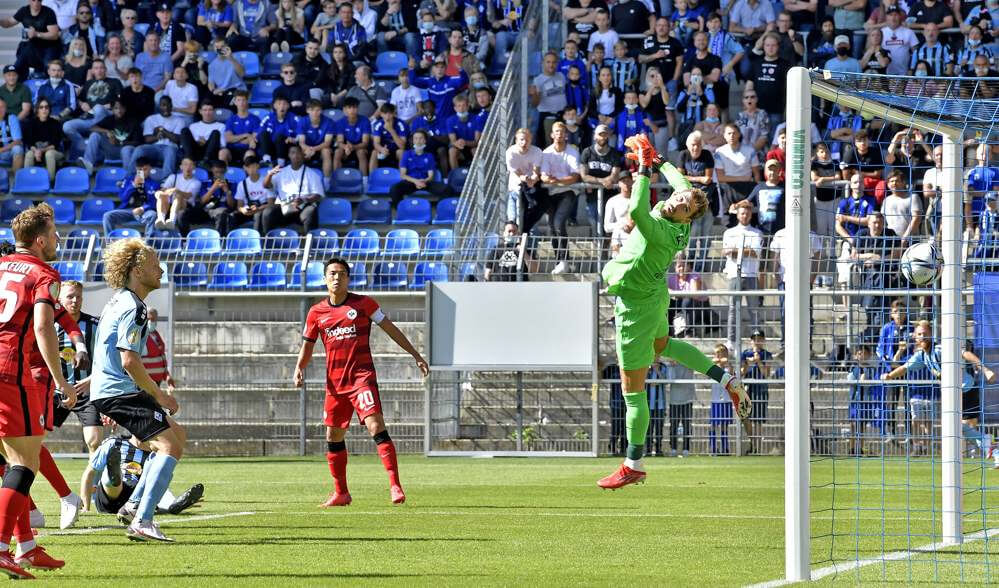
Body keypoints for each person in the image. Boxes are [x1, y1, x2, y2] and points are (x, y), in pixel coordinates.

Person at [596, 135, 748, 490]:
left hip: (635, 306)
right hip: (654, 295)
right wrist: (660, 157)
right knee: (663, 346)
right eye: (678, 198)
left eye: (681, 206)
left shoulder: (664, 232)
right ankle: (726, 380)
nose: (676, 201)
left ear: (685, 218)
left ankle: (633, 463)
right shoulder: (682, 213)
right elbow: (681, 181)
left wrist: (645, 167)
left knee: (632, 390)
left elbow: (635, 212)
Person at [294, 257, 429, 506]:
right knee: (333, 436)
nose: (337, 277)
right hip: (335, 385)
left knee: (375, 426)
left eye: (342, 274)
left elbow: (390, 328)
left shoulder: (364, 304)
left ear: (348, 278)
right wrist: (299, 368)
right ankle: (341, 493)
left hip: (361, 378)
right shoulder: (316, 312)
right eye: (332, 273)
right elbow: (307, 345)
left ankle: (395, 486)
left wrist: (415, 354)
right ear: (324, 279)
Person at [90, 237, 184, 542]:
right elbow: (129, 360)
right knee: (169, 446)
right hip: (121, 390)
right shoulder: (134, 307)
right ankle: (143, 520)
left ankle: (132, 506)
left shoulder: (119, 300)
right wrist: (159, 395)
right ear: (137, 269)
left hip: (113, 389)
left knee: (176, 437)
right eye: (155, 263)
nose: (161, 269)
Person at [0, 204, 75, 577]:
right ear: (41, 240)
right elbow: (45, 328)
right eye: (56, 233)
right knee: (24, 461)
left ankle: (26, 546)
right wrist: (62, 382)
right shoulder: (44, 272)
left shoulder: (0, 265)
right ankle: (2, 547)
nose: (59, 239)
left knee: (16, 459)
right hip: (10, 369)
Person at [80, 435, 202, 516]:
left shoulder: (156, 455)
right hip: (110, 498)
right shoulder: (114, 443)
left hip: (136, 498)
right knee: (113, 482)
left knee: (157, 484)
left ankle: (173, 505)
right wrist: (86, 506)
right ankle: (114, 474)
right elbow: (90, 472)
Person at [52, 280, 103, 460]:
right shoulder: (48, 325)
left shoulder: (95, 325)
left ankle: (94, 487)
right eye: (70, 296)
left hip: (87, 392)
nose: (75, 300)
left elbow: (109, 359)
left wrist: (93, 379)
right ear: (58, 299)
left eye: (78, 297)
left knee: (95, 441)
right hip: (56, 391)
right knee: (31, 440)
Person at [537, 122, 580, 275]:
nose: (560, 134)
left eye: (562, 132)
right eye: (557, 131)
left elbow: (575, 177)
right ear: (552, 135)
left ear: (566, 135)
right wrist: (550, 180)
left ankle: (564, 260)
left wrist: (558, 181)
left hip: (568, 191)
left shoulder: (573, 152)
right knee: (552, 228)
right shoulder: (547, 153)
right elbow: (543, 176)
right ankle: (559, 261)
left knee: (558, 223)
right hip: (551, 193)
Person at [722, 200, 764, 343]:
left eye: (747, 213)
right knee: (733, 309)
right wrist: (745, 250)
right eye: (742, 213)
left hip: (751, 274)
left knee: (754, 309)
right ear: (738, 215)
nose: (745, 216)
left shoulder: (757, 233)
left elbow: (755, 252)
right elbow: (726, 252)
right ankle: (732, 341)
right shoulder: (729, 232)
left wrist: (736, 250)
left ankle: (757, 341)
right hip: (734, 274)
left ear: (751, 215)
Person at [261, 144, 322, 234]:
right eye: (293, 153)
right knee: (268, 212)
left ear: (302, 154)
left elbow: (318, 195)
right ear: (289, 155)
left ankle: (310, 246)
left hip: (302, 209)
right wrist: (269, 175)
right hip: (284, 208)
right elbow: (266, 185)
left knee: (310, 211)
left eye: (298, 152)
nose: (296, 155)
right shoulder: (281, 172)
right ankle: (268, 244)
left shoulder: (312, 174)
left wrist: (304, 199)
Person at [387, 130, 453, 204]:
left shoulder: (429, 156)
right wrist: (416, 181)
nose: (418, 141)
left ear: (425, 141)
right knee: (394, 189)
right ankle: (403, 210)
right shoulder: (406, 154)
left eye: (421, 138)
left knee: (448, 189)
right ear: (413, 141)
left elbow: (431, 176)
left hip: (425, 182)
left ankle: (439, 209)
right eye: (416, 138)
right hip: (410, 182)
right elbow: (403, 175)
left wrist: (424, 181)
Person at [0, 0, 61, 80]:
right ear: (29, 0)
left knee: (48, 66)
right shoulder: (24, 11)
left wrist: (37, 34)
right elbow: (8, 23)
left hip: (48, 46)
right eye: (33, 0)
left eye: (39, 0)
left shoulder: (48, 12)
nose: (36, 3)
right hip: (31, 45)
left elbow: (54, 35)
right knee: (18, 65)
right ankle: (20, 87)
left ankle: (48, 88)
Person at [78, 99, 139, 175]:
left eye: (121, 108)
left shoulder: (133, 121)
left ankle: (128, 176)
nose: (119, 110)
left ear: (125, 109)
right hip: (111, 149)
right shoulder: (110, 119)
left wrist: (120, 142)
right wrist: (107, 131)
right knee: (95, 135)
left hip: (126, 151)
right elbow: (92, 128)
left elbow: (138, 142)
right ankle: (88, 165)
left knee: (126, 149)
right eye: (116, 108)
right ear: (112, 110)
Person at [177, 159, 235, 236]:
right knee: (182, 213)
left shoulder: (232, 184)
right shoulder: (205, 183)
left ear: (225, 171)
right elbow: (201, 202)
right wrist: (213, 188)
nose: (219, 175)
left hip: (220, 211)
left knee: (222, 213)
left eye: (221, 172)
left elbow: (232, 205)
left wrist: (227, 190)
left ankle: (219, 242)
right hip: (204, 211)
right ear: (212, 170)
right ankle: (184, 240)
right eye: (216, 172)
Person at [105, 156, 159, 236]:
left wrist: (143, 208)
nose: (143, 172)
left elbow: (154, 203)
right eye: (140, 170)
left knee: (153, 214)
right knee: (107, 216)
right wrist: (133, 185)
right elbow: (122, 198)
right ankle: (110, 244)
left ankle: (148, 244)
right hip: (128, 211)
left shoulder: (154, 184)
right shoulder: (128, 180)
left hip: (144, 212)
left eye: (145, 169)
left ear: (150, 169)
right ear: (137, 169)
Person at [131, 95, 183, 174]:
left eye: (168, 105)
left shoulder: (179, 120)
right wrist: (157, 137)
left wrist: (163, 130)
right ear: (159, 106)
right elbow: (147, 139)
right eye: (163, 105)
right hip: (153, 148)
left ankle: (166, 181)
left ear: (172, 106)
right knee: (140, 149)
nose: (166, 108)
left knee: (170, 151)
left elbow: (176, 139)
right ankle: (131, 177)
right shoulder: (151, 119)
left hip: (169, 148)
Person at [848, 345, 885, 456]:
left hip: (866, 401)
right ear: (855, 355)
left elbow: (868, 384)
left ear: (869, 355)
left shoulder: (871, 369)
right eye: (859, 353)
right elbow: (851, 381)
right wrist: (860, 379)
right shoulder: (853, 368)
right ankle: (851, 449)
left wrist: (863, 379)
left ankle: (861, 449)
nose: (862, 356)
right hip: (855, 401)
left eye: (864, 353)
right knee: (853, 425)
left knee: (862, 425)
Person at [740, 328, 772, 454]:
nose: (756, 342)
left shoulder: (766, 354)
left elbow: (766, 373)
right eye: (754, 339)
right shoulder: (745, 353)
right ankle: (752, 443)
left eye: (759, 339)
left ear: (763, 341)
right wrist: (748, 364)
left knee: (758, 420)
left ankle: (758, 447)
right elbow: (742, 372)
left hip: (761, 389)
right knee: (746, 418)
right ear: (751, 341)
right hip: (748, 389)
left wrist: (758, 362)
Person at [504, 127, 543, 226]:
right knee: (514, 197)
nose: (524, 142)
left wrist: (533, 179)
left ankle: (526, 229)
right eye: (521, 139)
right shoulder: (510, 152)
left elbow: (536, 170)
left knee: (537, 206)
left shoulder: (537, 151)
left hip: (533, 184)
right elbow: (517, 172)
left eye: (527, 139)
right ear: (516, 140)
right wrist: (525, 179)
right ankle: (511, 223)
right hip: (517, 182)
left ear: (531, 140)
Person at [22, 97, 65, 182]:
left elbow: (55, 144)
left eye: (46, 107)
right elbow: (29, 143)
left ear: (49, 109)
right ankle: (26, 181)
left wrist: (41, 151)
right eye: (41, 107)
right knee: (29, 154)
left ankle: (50, 181)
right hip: (37, 153)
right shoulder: (30, 123)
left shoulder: (55, 123)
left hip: (54, 153)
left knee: (49, 154)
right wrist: (36, 151)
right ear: (37, 110)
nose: (44, 109)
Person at [230, 155, 275, 234]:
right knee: (232, 217)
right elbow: (239, 206)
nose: (251, 169)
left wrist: (258, 208)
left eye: (253, 166)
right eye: (248, 167)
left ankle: (257, 240)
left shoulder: (266, 181)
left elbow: (271, 204)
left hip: (262, 209)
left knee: (258, 215)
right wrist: (243, 210)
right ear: (244, 168)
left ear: (258, 166)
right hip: (249, 210)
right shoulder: (242, 184)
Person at [155, 156, 201, 230]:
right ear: (181, 167)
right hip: (171, 204)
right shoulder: (173, 177)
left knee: (179, 196)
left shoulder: (196, 182)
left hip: (186, 205)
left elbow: (188, 195)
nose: (188, 167)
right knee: (160, 194)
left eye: (191, 165)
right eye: (185, 164)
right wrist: (160, 193)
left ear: (194, 168)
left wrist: (176, 190)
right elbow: (164, 190)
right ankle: (161, 219)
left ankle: (172, 220)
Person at [296, 99, 335, 186]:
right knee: (299, 152)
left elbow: (327, 142)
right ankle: (298, 180)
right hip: (307, 148)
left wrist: (313, 149)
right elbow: (301, 142)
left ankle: (327, 181)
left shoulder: (329, 122)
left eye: (318, 110)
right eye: (312, 110)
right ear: (307, 111)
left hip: (321, 148)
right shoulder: (302, 121)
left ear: (321, 111)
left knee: (326, 151)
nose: (315, 113)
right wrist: (308, 150)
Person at [332, 96, 371, 176]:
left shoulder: (365, 121)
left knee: (361, 153)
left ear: (358, 108)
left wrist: (353, 147)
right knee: (337, 152)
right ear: (345, 109)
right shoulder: (340, 122)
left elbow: (365, 142)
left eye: (355, 107)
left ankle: (364, 180)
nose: (352, 110)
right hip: (346, 147)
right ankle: (336, 178)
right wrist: (346, 147)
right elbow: (339, 142)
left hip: (360, 147)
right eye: (349, 108)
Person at [181, 100, 226, 166]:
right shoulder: (193, 126)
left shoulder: (221, 126)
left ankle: (205, 162)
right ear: (200, 111)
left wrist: (206, 141)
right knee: (184, 130)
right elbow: (188, 144)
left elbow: (223, 144)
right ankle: (189, 160)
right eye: (205, 110)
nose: (207, 113)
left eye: (210, 110)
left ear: (214, 111)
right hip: (194, 151)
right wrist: (199, 142)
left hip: (211, 152)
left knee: (215, 132)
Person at [708, 344, 734, 455]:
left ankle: (725, 448)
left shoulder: (729, 367)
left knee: (724, 426)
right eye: (718, 353)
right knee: (713, 425)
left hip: (726, 400)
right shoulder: (713, 366)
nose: (720, 356)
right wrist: (717, 362)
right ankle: (713, 448)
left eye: (722, 353)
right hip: (715, 400)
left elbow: (732, 376)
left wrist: (726, 363)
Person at [258, 95, 298, 166]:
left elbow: (300, 135)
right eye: (279, 104)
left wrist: (294, 139)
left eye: (284, 104)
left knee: (280, 136)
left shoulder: (294, 118)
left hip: (285, 148)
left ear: (288, 106)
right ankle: (266, 160)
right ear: (274, 106)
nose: (282, 106)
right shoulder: (268, 117)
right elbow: (259, 132)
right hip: (270, 148)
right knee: (263, 133)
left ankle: (281, 163)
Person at [0, 100, 24, 172]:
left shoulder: (12, 118)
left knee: (18, 149)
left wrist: (2, 150)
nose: (0, 110)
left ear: (6, 109)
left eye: (2, 107)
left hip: (9, 152)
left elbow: (17, 141)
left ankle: (15, 179)